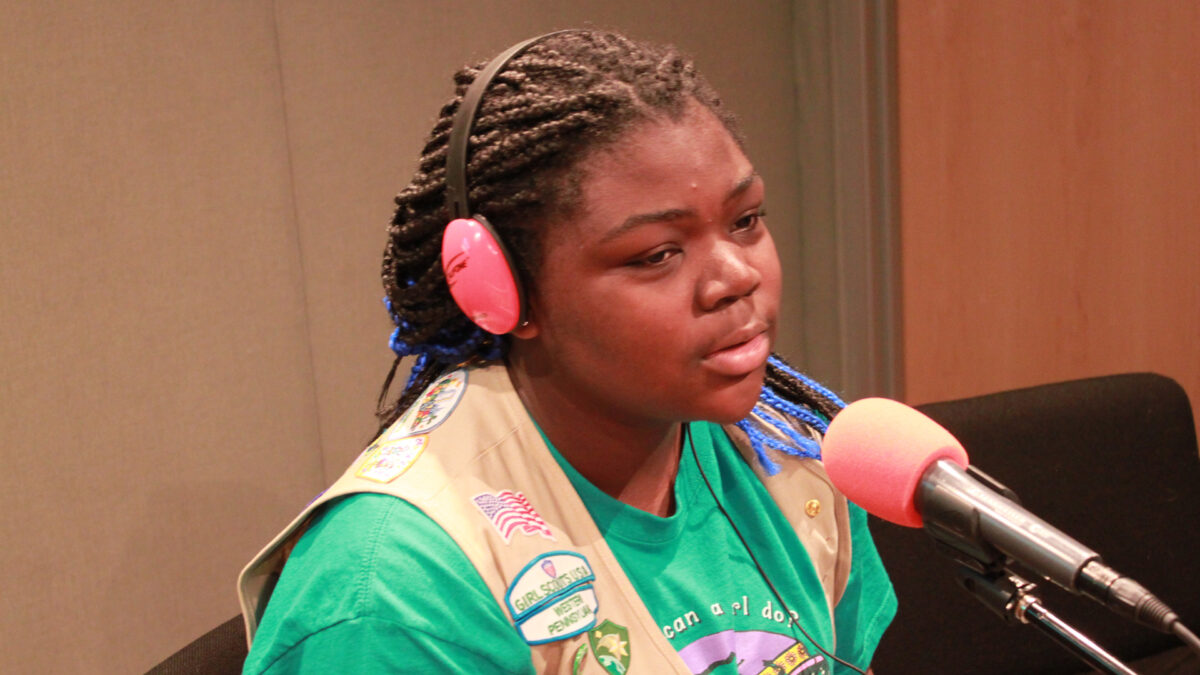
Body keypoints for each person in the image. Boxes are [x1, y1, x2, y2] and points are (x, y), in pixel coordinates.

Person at [238, 29, 896, 674]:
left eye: (745, 220)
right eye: (658, 254)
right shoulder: (395, 593)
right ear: (502, 290)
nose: (737, 276)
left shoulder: (793, 454)